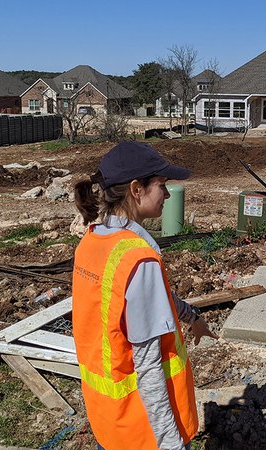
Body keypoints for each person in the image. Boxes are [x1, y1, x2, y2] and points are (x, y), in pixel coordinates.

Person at [71, 141, 218, 450]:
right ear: (136, 189)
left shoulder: (93, 243)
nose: (167, 194)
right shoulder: (138, 259)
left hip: (109, 422)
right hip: (144, 434)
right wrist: (171, 444)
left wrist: (192, 318)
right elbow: (149, 364)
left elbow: (150, 302)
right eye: (161, 185)